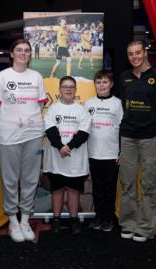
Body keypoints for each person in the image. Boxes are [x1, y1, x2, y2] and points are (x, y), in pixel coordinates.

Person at [0, 39, 47, 242]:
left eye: (27, 51)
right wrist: (9, 125)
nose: (23, 53)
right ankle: (13, 220)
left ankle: (25, 219)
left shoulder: (37, 77)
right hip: (8, 136)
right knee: (10, 180)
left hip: (32, 135)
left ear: (30, 55)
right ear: (11, 54)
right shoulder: (2, 77)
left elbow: (39, 107)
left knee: (31, 179)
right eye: (19, 50)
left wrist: (29, 124)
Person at [117, 40, 156, 242]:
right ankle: (128, 223)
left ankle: (145, 227)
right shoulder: (124, 77)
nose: (134, 57)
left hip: (148, 137)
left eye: (138, 52)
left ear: (144, 53)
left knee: (148, 184)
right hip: (127, 136)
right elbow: (122, 107)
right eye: (130, 54)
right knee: (127, 183)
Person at [43, 76, 91, 234]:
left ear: (76, 90)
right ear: (60, 90)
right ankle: (56, 219)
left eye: (71, 87)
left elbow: (84, 133)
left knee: (73, 190)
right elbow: (50, 130)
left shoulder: (81, 110)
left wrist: (68, 147)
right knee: (56, 190)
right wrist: (59, 146)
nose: (68, 89)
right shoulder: (52, 109)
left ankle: (73, 219)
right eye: (65, 86)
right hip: (56, 160)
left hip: (75, 161)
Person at [84, 70, 123, 232]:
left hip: (112, 154)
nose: (101, 85)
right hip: (93, 153)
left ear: (111, 84)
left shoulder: (117, 103)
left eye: (105, 82)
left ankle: (108, 219)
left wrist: (121, 152)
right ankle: (99, 217)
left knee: (110, 188)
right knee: (97, 188)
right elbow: (83, 129)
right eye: (99, 82)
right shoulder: (88, 103)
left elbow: (122, 128)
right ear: (95, 84)